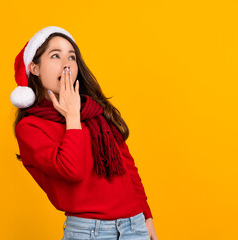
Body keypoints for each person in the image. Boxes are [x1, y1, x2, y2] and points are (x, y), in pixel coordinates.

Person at [11, 26, 158, 240]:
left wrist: (147, 217)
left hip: (134, 227)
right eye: (55, 56)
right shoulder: (30, 127)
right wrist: (72, 118)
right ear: (35, 68)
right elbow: (72, 170)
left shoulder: (95, 112)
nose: (66, 64)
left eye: (72, 57)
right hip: (89, 232)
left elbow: (127, 167)